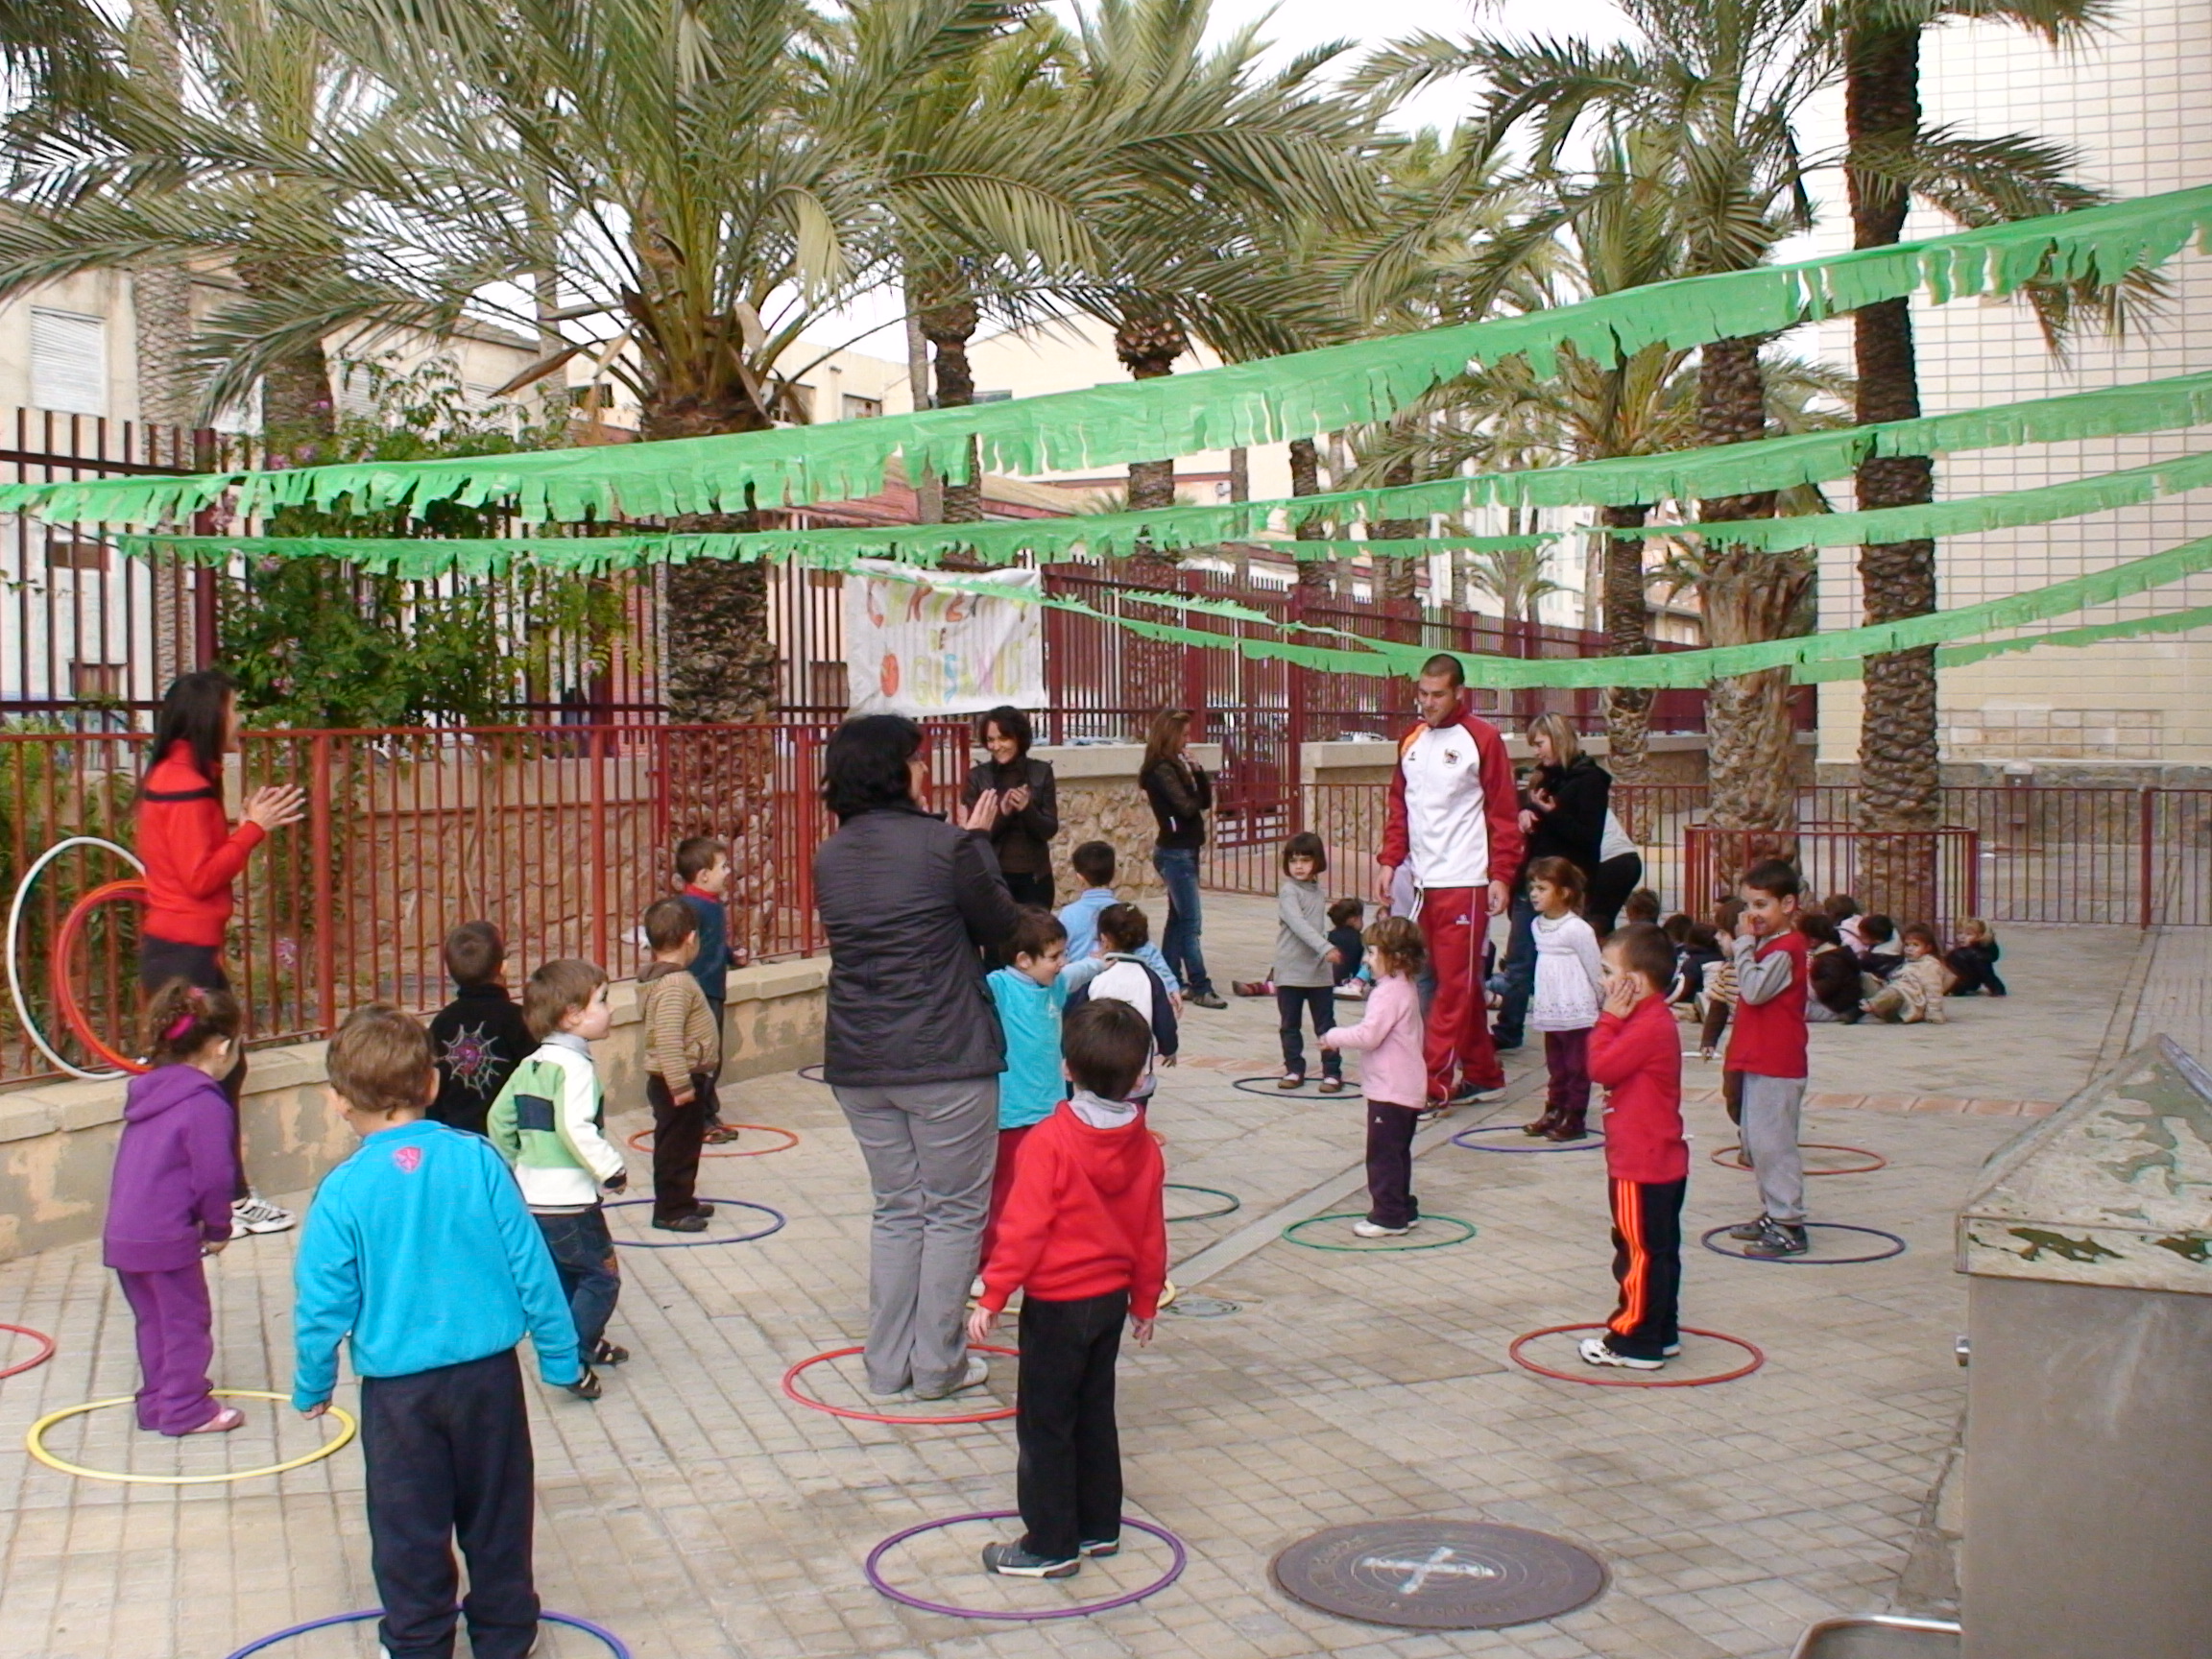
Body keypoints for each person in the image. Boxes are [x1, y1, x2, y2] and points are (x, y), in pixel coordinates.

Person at [293, 1004, 581, 1659]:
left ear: (337, 1101)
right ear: (431, 1083)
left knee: (408, 1528)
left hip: (399, 1399)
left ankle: (420, 1642)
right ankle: (505, 1637)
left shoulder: (341, 1192)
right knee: (499, 1515)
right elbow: (532, 1265)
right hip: (489, 1383)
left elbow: (322, 1304)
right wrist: (561, 1357)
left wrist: (313, 1382)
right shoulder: (477, 1161)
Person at [813, 714, 1020, 1404]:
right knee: (955, 1212)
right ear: (894, 770)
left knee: (898, 1208)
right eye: (918, 760)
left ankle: (886, 1364)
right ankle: (938, 1364)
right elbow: (1004, 929)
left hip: (861, 1058)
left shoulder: (831, 855)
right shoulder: (948, 846)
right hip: (945, 1056)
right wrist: (978, 844)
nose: (927, 771)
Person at [968, 999, 1166, 1580]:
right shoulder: (1145, 1145)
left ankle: (1051, 1544)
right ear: (1136, 1078)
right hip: (1108, 1303)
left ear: (1067, 1067)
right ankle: (1098, 1526)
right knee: (1094, 1412)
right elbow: (1150, 1229)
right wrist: (1146, 1300)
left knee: (1047, 1423)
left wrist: (994, 1293)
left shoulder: (1049, 1141)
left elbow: (1023, 1228)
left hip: (1057, 1304)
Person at [133, 668, 305, 1236]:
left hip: (186, 951)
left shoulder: (183, 774)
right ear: (211, 714)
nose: (241, 719)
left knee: (209, 1072)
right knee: (208, 1073)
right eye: (235, 708)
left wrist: (244, 823)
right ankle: (224, 1199)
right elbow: (202, 875)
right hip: (181, 955)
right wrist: (253, 828)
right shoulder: (181, 781)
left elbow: (194, 862)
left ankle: (199, 1193)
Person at [1378, 653, 1524, 1107]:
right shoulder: (1411, 739)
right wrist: (1390, 861)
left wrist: (1502, 875)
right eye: (1422, 693)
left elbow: (1502, 812)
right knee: (1444, 982)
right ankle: (1483, 1073)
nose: (1427, 703)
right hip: (1421, 883)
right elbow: (1400, 806)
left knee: (1454, 988)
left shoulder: (1483, 738)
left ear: (1459, 692)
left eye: (1437, 694)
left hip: (1466, 882)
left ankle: (1433, 1084)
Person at [104, 980, 246, 1436]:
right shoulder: (205, 1103)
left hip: (126, 1234)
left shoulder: (150, 1093)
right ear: (222, 1048)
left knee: (154, 1319)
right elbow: (213, 1176)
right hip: (167, 1235)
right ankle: (184, 1408)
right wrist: (218, 1228)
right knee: (186, 1320)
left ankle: (155, 1402)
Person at [487, 960, 628, 1400]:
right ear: (572, 1015)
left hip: (533, 1200)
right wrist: (611, 1169)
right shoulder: (575, 1068)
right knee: (602, 1278)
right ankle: (569, 1358)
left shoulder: (532, 1064)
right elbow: (574, 1127)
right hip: (570, 1202)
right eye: (601, 1001)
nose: (609, 1009)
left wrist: (517, 1165)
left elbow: (498, 1119)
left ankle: (585, 1338)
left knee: (569, 1278)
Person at [1579, 924, 1689, 1371]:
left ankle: (1633, 1339)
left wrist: (1608, 1019)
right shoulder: (1654, 1019)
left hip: (1640, 1164)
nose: (1603, 982)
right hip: (1659, 1159)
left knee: (1637, 1252)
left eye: (1609, 972)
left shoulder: (1644, 1025)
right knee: (1658, 1250)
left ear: (1636, 982)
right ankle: (1662, 1331)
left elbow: (1600, 1067)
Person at [980, 908, 1108, 1265]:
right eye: (1054, 956)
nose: (1062, 963)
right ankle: (990, 1264)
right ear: (1023, 960)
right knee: (1004, 1194)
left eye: (1064, 953)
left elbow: (1078, 972)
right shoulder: (999, 987)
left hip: (1052, 1114)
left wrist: (1100, 962)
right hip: (1012, 1115)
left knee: (1051, 1189)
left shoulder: (1056, 984)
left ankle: (1044, 1252)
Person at [1721, 861, 1813, 1259]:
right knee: (1757, 1141)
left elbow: (1755, 990)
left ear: (1788, 904)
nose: (1752, 915)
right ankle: (1774, 1212)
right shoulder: (1767, 945)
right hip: (1758, 1057)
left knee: (1774, 1143)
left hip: (1778, 1060)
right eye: (1747, 905)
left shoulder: (1786, 948)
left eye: (1761, 905)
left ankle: (1789, 1222)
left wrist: (1741, 947)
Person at [1320, 916, 1429, 1238]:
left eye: (1372, 953)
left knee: (1382, 1156)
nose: (1366, 960)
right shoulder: (1405, 986)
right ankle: (1404, 1208)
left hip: (1390, 1090)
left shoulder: (1387, 992)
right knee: (1397, 1152)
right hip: (1406, 1087)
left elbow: (1370, 1035)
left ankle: (1388, 1215)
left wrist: (1333, 1036)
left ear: (1394, 957)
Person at [637, 899, 718, 1232]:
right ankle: (670, 1210)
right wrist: (681, 1085)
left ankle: (682, 1200)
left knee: (685, 1145)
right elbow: (668, 1038)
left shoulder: (666, 978)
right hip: (677, 1082)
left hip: (680, 1078)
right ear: (691, 938)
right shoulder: (674, 985)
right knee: (675, 1148)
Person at [1139, 709, 1225, 1009]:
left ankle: (1168, 978)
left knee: (1177, 921)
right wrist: (1187, 776)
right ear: (1170, 735)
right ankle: (1200, 985)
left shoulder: (1176, 766)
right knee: (1191, 922)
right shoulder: (1161, 770)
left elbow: (1202, 802)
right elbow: (1186, 808)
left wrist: (1198, 771)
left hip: (1186, 849)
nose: (1188, 740)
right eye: (1184, 735)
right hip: (1174, 853)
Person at [1523, 855, 1605, 1142]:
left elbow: (1594, 965)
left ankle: (1575, 1115)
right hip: (1552, 1003)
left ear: (1564, 892)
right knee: (1556, 1063)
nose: (1534, 894)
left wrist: (1599, 999)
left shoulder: (1577, 929)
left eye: (1542, 888)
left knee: (1576, 1064)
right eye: (1533, 887)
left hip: (1576, 1004)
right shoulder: (1537, 925)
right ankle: (1554, 1108)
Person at [428, 922, 535, 1138]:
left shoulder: (441, 1023)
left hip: (455, 1140)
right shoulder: (520, 1019)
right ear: (503, 968)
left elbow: (432, 1090)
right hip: (510, 1139)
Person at [1067, 904, 1178, 1103]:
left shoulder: (1093, 976)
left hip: (1093, 1071)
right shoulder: (1151, 979)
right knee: (1132, 1126)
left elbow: (1072, 1017)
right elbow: (1165, 1021)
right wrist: (1170, 1048)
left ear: (1104, 939)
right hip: (1134, 1075)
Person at [675, 836, 745, 1145]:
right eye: (723, 867)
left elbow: (713, 942)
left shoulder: (712, 905)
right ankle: (696, 1120)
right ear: (703, 875)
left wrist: (732, 957)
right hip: (698, 992)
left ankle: (708, 1113)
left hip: (714, 989)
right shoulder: (689, 907)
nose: (728, 872)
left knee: (711, 1057)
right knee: (700, 1058)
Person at [1057, 841, 1181, 1004]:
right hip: (1123, 993)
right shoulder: (1126, 914)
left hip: (1079, 996)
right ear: (1114, 873)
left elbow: (1060, 954)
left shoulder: (1068, 915)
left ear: (1079, 877)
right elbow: (1149, 953)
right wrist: (1171, 986)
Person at [963, 706, 1061, 910]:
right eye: (990, 740)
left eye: (1003, 738)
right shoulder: (978, 777)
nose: (997, 746)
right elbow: (974, 836)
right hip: (994, 879)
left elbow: (1049, 829)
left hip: (1035, 878)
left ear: (1019, 738)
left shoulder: (1041, 772)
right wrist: (1003, 813)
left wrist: (1027, 809)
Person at [1272, 832, 1343, 1092]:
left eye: (1305, 860)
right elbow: (1298, 924)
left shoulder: (1317, 891)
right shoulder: (1289, 891)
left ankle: (1332, 1071)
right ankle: (1293, 1069)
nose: (1299, 866)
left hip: (1319, 972)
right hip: (1291, 971)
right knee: (1290, 1024)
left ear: (1317, 862)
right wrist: (1326, 947)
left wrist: (1326, 951)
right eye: (1293, 861)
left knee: (1325, 1024)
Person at [1863, 924, 1955, 1023]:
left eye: (1916, 945)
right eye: (1907, 945)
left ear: (1928, 948)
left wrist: (1934, 1012)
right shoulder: (1908, 962)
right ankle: (1868, 1007)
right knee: (1866, 978)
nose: (1909, 949)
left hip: (1909, 999)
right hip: (1894, 990)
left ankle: (1871, 1006)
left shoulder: (1929, 965)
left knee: (1892, 993)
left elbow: (1933, 989)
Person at [1799, 912, 1865, 1023]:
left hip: (1832, 1008)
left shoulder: (1829, 959)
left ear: (1812, 940)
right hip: (1835, 1005)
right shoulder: (1833, 954)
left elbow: (1826, 987)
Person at [1946, 918, 2007, 997]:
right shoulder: (1964, 952)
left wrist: (1997, 990)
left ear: (1979, 936)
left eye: (1969, 934)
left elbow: (1987, 975)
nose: (1962, 937)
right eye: (1960, 933)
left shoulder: (1976, 955)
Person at [1326, 898, 1369, 998]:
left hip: (1329, 980)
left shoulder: (1329, 936)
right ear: (1354, 919)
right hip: (1348, 980)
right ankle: (1357, 982)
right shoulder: (1360, 938)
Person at [1855, 914, 1904, 983]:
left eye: (1864, 937)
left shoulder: (1876, 959)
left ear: (1878, 941)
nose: (1859, 937)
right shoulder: (1892, 933)